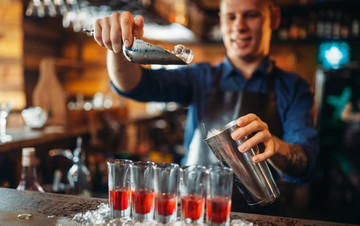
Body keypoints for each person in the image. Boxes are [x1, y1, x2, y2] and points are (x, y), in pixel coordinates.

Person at [93, 0, 319, 214]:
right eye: (231, 17)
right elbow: (135, 85)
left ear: (274, 17)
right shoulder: (200, 77)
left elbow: (305, 166)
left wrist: (274, 147)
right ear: (221, 22)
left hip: (260, 219)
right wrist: (118, 45)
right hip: (193, 213)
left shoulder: (295, 88)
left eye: (251, 15)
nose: (239, 26)